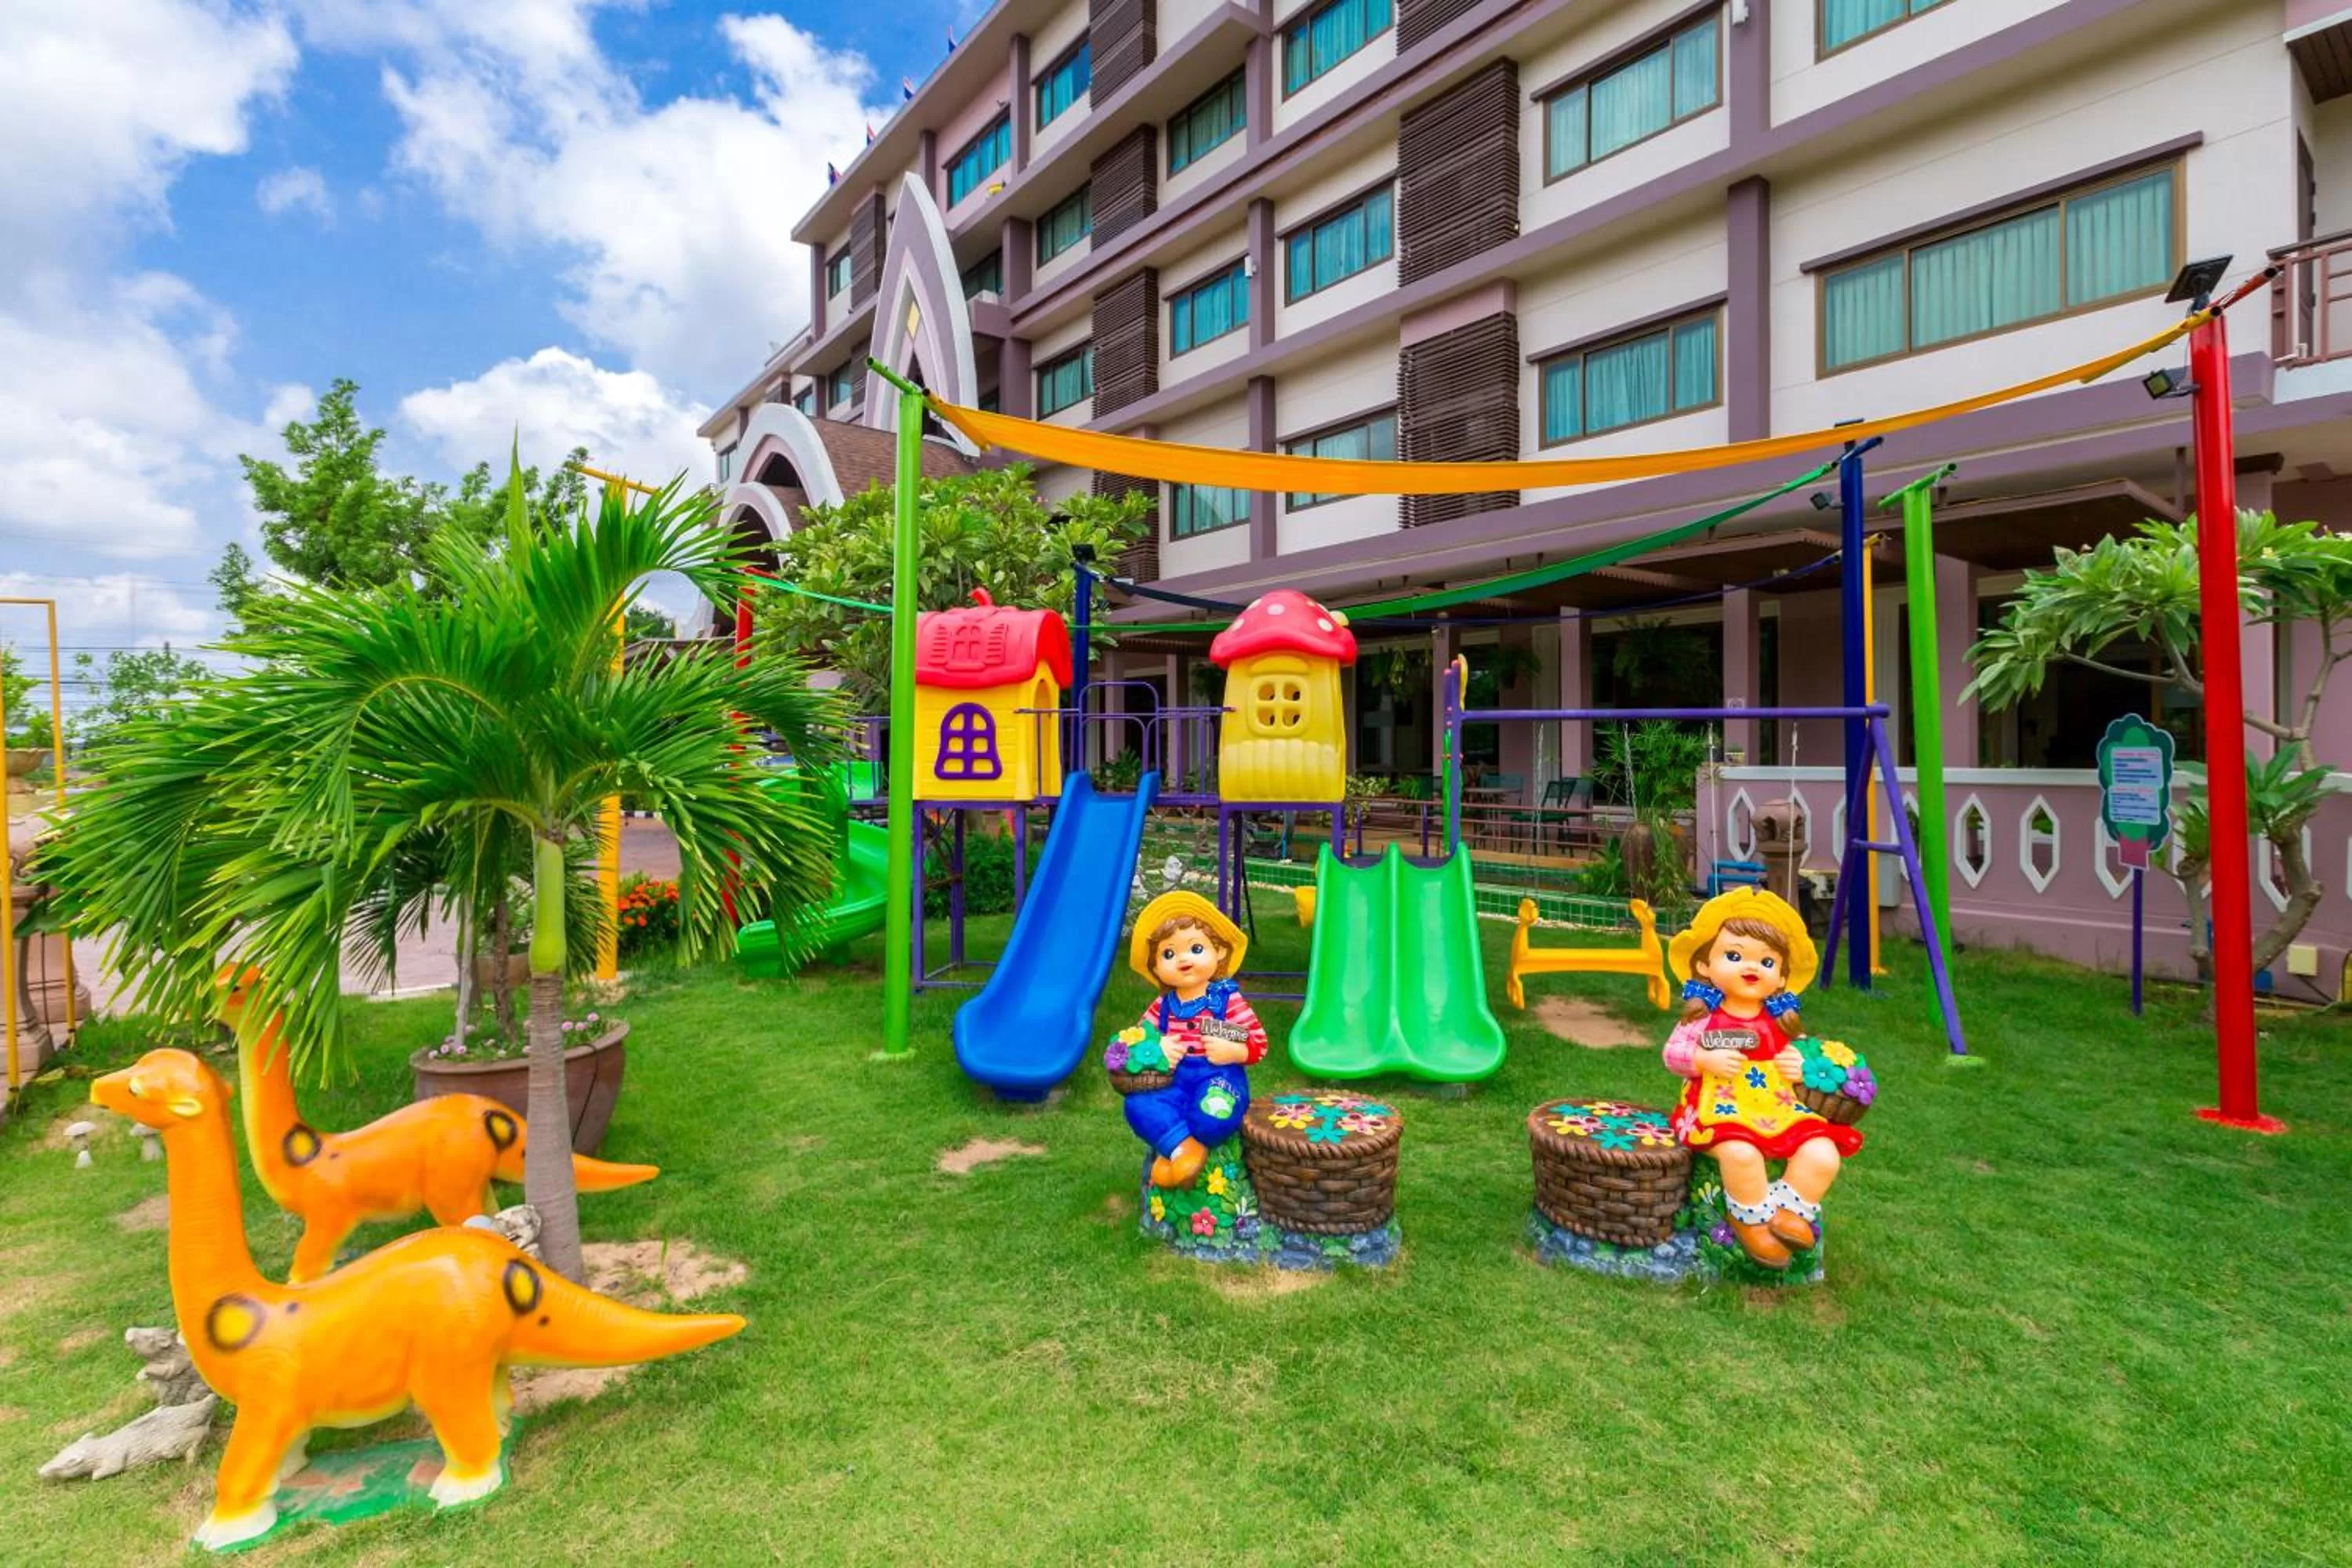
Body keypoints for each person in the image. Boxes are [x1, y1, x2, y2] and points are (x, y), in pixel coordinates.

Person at [1662, 887, 1862, 1269]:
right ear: (1705, 965)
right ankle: (1749, 1219)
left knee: (1823, 1152)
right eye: (1734, 956)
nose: (1750, 968)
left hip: (1778, 1108)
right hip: (1718, 1109)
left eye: (1767, 962)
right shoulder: (1703, 1018)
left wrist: (1798, 1066)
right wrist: (1704, 1057)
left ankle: (1789, 1213)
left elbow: (1801, 1054)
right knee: (1741, 1154)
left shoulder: (1779, 1021)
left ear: (1783, 977)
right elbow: (1673, 1054)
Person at [1122, 892, 1268, 1189]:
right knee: (1138, 1105)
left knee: (1213, 1113)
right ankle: (1184, 1150)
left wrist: (1234, 1049)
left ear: (1220, 952)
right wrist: (1157, 1047)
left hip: (1219, 1078)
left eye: (1196, 948)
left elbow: (1258, 1041)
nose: (1183, 959)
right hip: (1173, 1082)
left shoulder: (1226, 1000)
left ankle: (1176, 1147)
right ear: (1156, 966)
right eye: (1169, 954)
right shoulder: (1162, 1007)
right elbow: (1134, 1042)